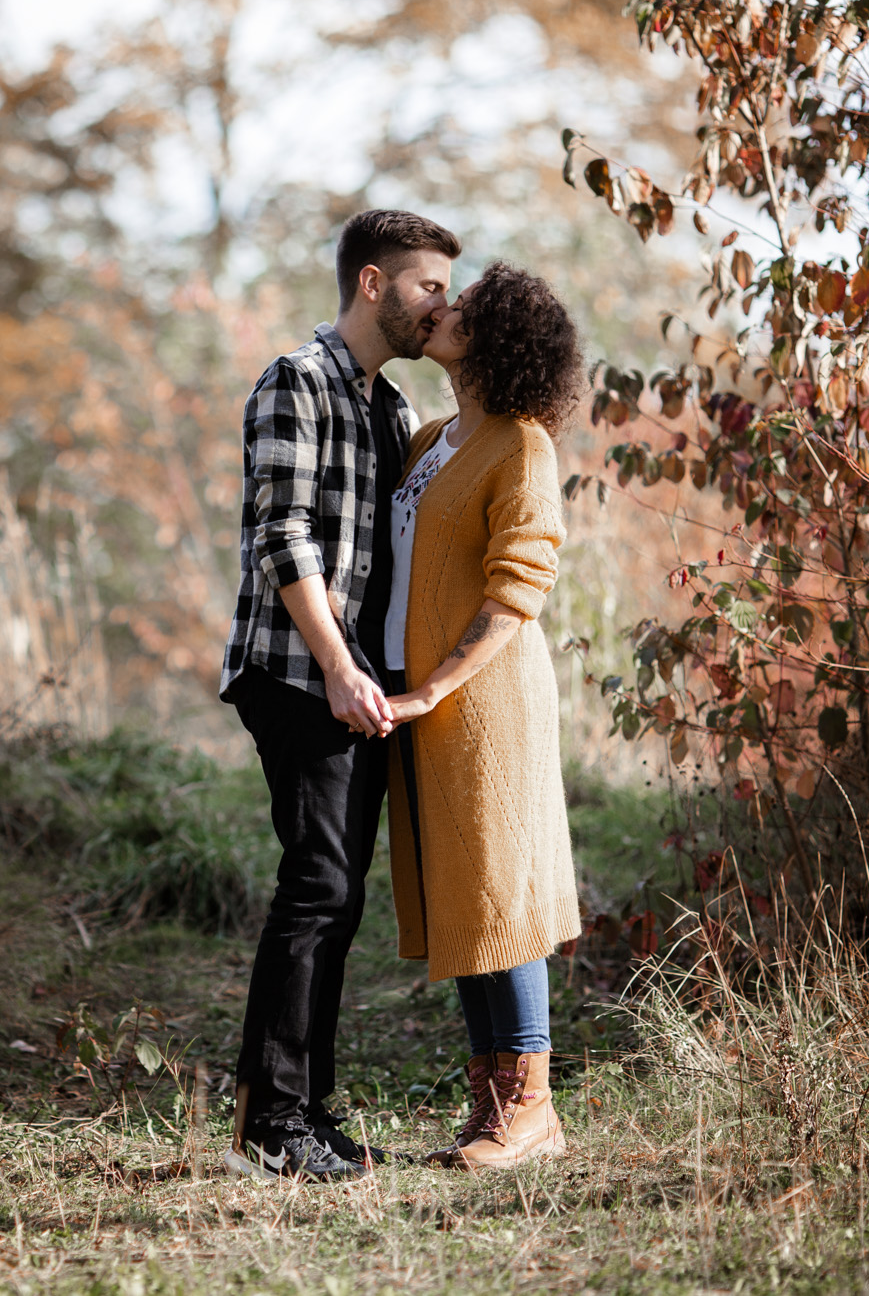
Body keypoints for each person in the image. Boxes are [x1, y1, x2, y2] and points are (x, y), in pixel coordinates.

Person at [218, 209, 461, 1182]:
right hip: (292, 668)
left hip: (354, 681)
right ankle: (268, 1127)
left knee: (339, 894)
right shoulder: (295, 381)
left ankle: (303, 1113)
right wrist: (334, 664)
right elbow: (283, 538)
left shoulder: (387, 406)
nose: (441, 301)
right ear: (371, 283)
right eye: (426, 286)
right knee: (317, 884)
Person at [383, 260, 586, 1170]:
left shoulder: (522, 444)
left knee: (502, 888)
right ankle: (488, 1108)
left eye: (462, 306)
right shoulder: (432, 435)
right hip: (420, 702)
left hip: (486, 699)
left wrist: (436, 684)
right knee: (460, 896)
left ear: (497, 338)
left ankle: (532, 1111)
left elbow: (518, 592)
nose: (442, 309)